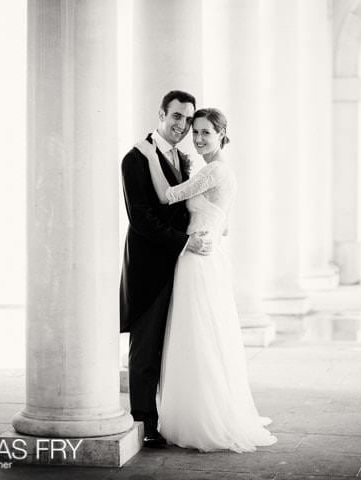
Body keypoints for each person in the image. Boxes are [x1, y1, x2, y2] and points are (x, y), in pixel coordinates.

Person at [135, 108, 277, 452]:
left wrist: (150, 155)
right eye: (195, 132)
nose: (197, 138)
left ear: (221, 134)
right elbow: (223, 223)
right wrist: (208, 230)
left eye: (205, 133)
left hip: (196, 261)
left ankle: (204, 417)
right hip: (202, 254)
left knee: (197, 335)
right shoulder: (216, 170)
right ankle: (200, 410)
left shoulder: (214, 170)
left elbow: (167, 195)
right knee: (199, 334)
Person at [120, 90, 213, 448]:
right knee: (145, 349)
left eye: (188, 120)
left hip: (179, 266)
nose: (182, 125)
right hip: (148, 267)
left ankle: (164, 418)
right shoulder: (135, 158)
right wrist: (184, 241)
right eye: (176, 117)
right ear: (161, 114)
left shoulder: (183, 158)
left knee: (170, 346)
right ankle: (143, 422)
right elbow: (141, 219)